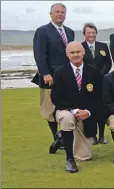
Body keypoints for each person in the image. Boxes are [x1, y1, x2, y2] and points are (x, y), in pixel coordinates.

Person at [50, 41, 102, 173]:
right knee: (67, 119)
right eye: (72, 52)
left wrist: (88, 112)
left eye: (78, 52)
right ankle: (69, 159)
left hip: (86, 115)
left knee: (85, 157)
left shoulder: (94, 72)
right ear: (67, 54)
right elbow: (55, 98)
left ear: (83, 52)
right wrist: (73, 110)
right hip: (66, 111)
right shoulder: (59, 72)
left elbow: (100, 98)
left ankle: (62, 136)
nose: (75, 55)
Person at [33, 3, 75, 149]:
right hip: (49, 77)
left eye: (62, 12)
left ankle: (63, 136)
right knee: (49, 108)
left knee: (64, 107)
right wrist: (45, 73)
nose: (60, 14)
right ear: (51, 14)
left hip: (66, 77)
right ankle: (56, 136)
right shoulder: (42, 31)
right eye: (57, 12)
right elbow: (39, 54)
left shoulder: (70, 32)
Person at [80, 23, 111, 145]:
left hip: (102, 82)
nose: (91, 35)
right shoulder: (80, 47)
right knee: (89, 109)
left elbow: (108, 62)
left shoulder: (103, 46)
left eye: (93, 33)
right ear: (84, 34)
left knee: (101, 110)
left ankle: (102, 135)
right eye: (89, 33)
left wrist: (101, 74)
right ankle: (92, 135)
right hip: (87, 83)